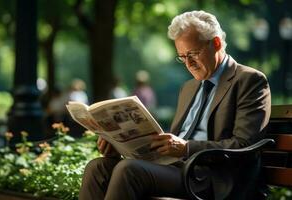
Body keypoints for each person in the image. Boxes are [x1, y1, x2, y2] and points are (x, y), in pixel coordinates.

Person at [79, 10, 271, 200]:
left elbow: (244, 144)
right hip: (175, 167)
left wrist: (187, 148)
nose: (189, 63)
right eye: (182, 56)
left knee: (129, 170)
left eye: (193, 53)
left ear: (216, 43)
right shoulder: (189, 87)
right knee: (98, 168)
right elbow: (176, 140)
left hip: (211, 176)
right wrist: (120, 146)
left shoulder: (249, 80)